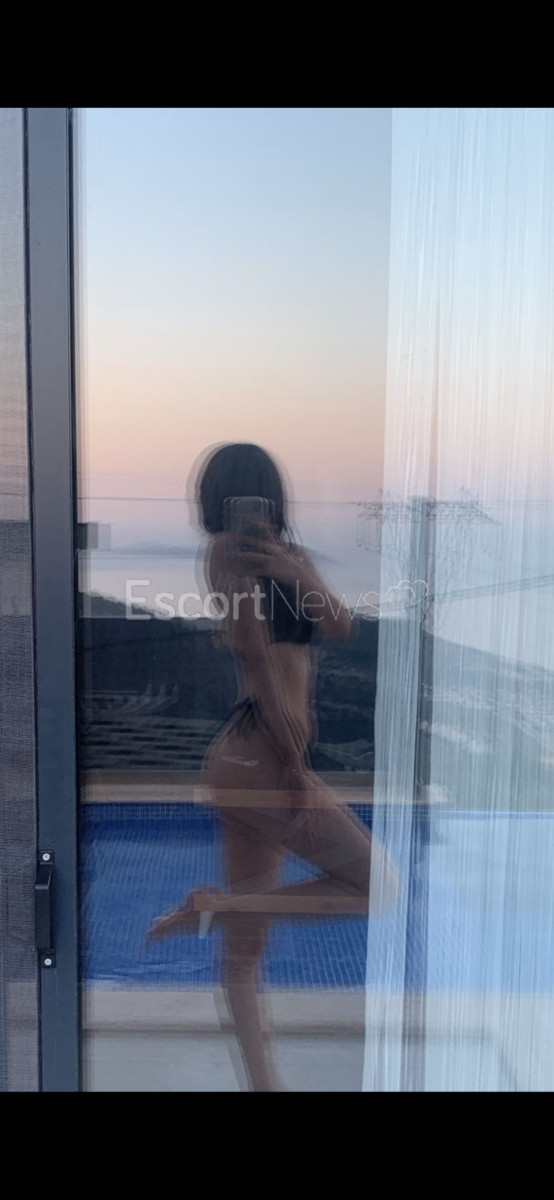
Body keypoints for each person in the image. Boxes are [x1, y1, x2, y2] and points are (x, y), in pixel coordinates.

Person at [147, 443, 398, 1091]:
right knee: (379, 887)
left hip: (249, 759)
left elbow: (340, 627)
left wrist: (295, 571)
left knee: (245, 948)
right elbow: (256, 659)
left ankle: (264, 1084)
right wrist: (294, 766)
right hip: (263, 755)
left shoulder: (290, 557)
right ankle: (217, 908)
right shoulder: (225, 555)